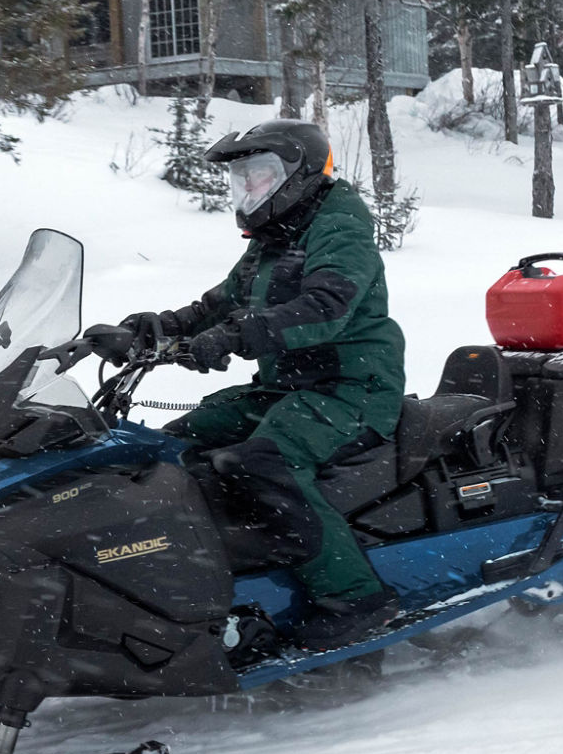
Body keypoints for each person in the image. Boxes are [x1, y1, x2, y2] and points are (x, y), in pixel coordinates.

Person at [113, 119, 405, 651]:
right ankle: (208, 577)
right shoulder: (276, 236)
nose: (249, 189)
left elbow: (326, 309)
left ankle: (356, 597)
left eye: (261, 175)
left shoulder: (338, 227)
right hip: (287, 387)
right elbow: (222, 303)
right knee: (175, 444)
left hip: (351, 389)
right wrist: (157, 328)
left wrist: (234, 337)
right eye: (242, 178)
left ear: (299, 174)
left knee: (262, 461)